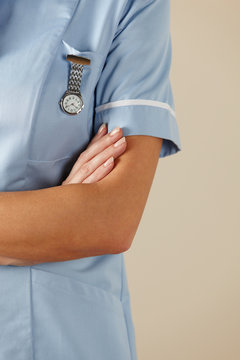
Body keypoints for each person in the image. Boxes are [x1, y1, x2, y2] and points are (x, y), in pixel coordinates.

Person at [0, 0, 182, 359]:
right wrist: (47, 220)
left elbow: (110, 218)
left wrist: (85, 214)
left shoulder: (128, 5)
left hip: (60, 334)